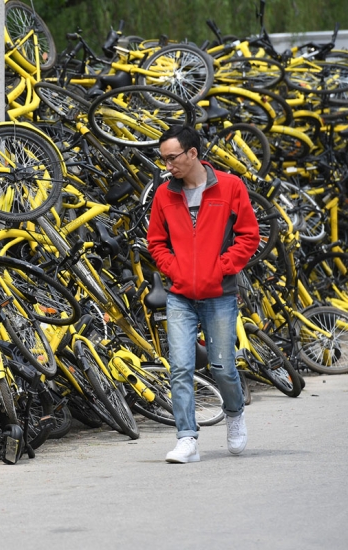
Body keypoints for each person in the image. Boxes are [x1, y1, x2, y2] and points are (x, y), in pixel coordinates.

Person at [147, 125, 260, 464]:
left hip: (219, 293)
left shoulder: (230, 186)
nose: (168, 165)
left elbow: (249, 236)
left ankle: (234, 413)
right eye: (164, 159)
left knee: (222, 366)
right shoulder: (164, 194)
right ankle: (187, 438)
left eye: (172, 158)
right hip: (180, 295)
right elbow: (156, 242)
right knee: (180, 367)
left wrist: (222, 267)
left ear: (193, 153)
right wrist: (175, 269)